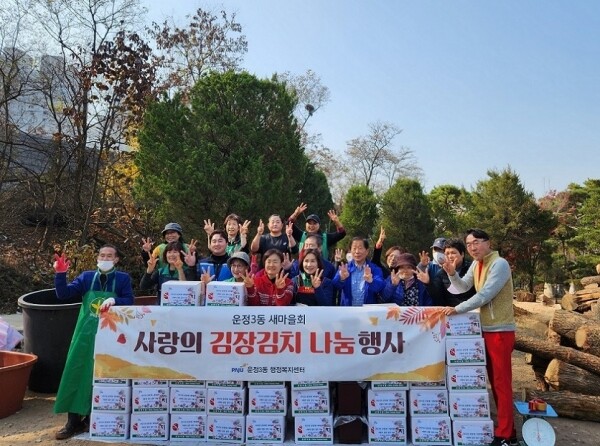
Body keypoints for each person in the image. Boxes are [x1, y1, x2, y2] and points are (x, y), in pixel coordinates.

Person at [441, 229, 517, 446]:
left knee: (502, 383)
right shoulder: (477, 264)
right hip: (486, 329)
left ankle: (506, 435)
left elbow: (485, 295)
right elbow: (463, 287)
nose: (472, 248)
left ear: (488, 243)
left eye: (476, 242)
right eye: (469, 244)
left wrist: (458, 309)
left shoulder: (499, 264)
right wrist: (452, 273)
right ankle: (507, 429)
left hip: (500, 330)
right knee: (494, 382)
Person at [52, 245, 134, 440]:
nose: (105, 258)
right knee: (76, 372)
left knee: (102, 374)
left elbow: (130, 300)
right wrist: (60, 275)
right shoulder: (87, 277)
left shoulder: (123, 279)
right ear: (97, 258)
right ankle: (73, 421)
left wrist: (115, 301)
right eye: (102, 255)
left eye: (110, 256)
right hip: (85, 335)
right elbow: (63, 294)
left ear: (116, 260)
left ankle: (94, 419)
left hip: (110, 334)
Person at [417, 238, 476, 306]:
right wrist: (428, 283)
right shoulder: (441, 273)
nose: (450, 256)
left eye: (453, 253)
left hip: (472, 309)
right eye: (447, 253)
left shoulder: (472, 268)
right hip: (450, 311)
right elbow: (437, 296)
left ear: (462, 254)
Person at [332, 237, 385, 306]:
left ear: (367, 251)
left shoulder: (374, 269)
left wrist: (371, 281)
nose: (357, 252)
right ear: (350, 251)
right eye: (354, 248)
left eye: (360, 248)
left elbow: (380, 287)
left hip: (368, 310)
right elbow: (335, 285)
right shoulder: (345, 268)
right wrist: (341, 279)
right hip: (348, 310)